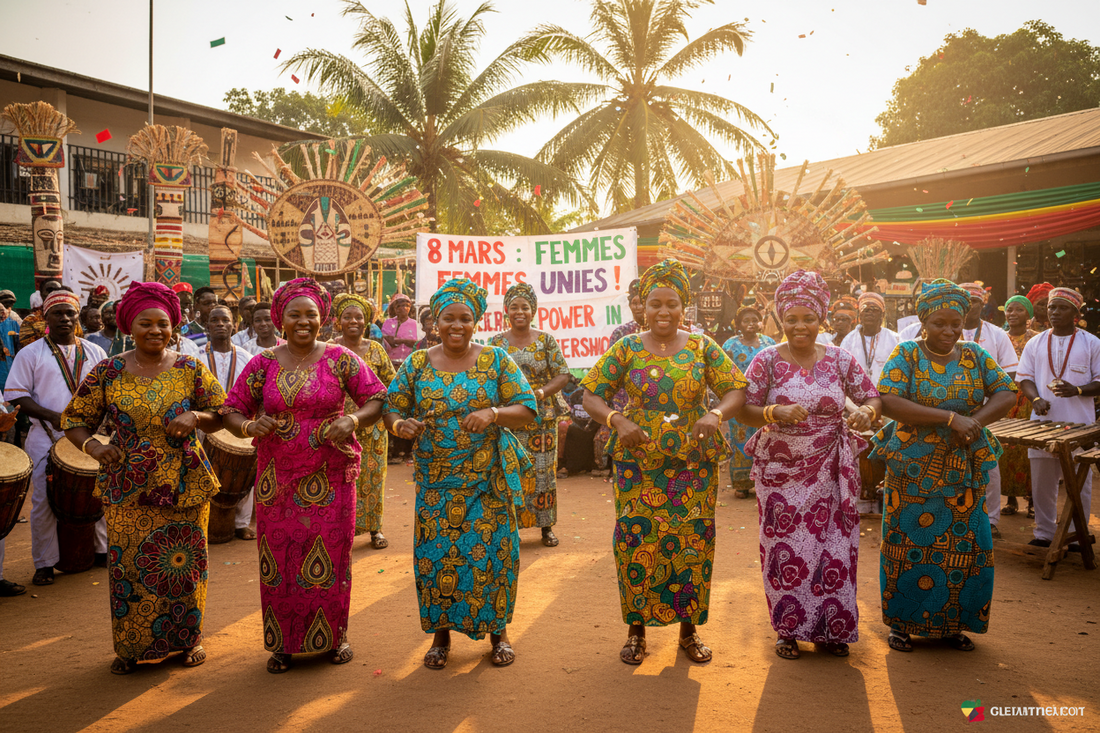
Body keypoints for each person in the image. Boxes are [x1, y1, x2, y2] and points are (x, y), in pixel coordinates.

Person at [581, 259, 745, 666]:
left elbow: (735, 391)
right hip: (639, 465)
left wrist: (716, 414)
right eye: (655, 304)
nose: (663, 312)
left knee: (692, 543)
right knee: (636, 541)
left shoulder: (704, 347)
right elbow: (591, 395)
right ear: (643, 306)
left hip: (693, 464)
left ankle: (689, 632)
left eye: (672, 304)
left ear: (683, 306)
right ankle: (636, 632)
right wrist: (617, 420)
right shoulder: (626, 348)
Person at [220, 278, 387, 674]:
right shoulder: (262, 363)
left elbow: (377, 398)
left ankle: (335, 637)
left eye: (310, 314)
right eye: (294, 314)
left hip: (332, 476)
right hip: (277, 479)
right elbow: (232, 408)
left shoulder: (341, 358)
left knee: (332, 557)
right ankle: (283, 643)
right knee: (279, 558)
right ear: (280, 318)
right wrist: (247, 427)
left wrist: (352, 418)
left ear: (321, 318)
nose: (303, 321)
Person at [60, 282, 226, 673]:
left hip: (184, 482)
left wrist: (197, 417)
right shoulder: (108, 370)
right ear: (128, 328)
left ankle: (188, 642)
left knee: (185, 567)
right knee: (129, 566)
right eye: (145, 323)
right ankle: (132, 647)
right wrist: (96, 448)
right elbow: (74, 421)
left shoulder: (190, 369)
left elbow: (222, 412)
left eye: (163, 324)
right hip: (128, 485)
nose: (155, 330)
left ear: (174, 326)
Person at [384, 278, 536, 670]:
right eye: (447, 318)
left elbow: (527, 408)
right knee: (437, 559)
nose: (456, 325)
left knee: (493, 557)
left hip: (488, 481)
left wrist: (494, 413)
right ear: (434, 320)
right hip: (437, 483)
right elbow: (392, 407)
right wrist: (400, 425)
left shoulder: (496, 359)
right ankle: (441, 637)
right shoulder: (418, 363)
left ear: (476, 321)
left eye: (465, 318)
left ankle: (498, 634)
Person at [737, 271, 882, 660]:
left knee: (836, 547)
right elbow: (744, 410)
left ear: (823, 318)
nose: (801, 326)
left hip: (832, 469)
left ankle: (831, 628)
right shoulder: (765, 360)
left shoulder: (840, 358)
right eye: (792, 319)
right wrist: (775, 410)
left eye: (809, 318)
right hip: (781, 474)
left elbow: (871, 396)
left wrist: (866, 413)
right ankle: (788, 629)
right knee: (787, 548)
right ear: (780, 319)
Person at [872, 279, 1016, 653]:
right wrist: (951, 419)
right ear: (924, 321)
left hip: (962, 467)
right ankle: (903, 624)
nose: (950, 331)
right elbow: (888, 400)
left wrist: (976, 422)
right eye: (940, 323)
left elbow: (1006, 393)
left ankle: (953, 622)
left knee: (963, 544)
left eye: (957, 323)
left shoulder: (974, 355)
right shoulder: (907, 354)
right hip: (913, 469)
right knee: (907, 542)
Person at [5, 290, 108, 586]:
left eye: (70, 313)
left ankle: (100, 551)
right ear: (45, 317)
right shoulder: (31, 353)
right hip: (46, 437)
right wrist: (53, 417)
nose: (64, 318)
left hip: (89, 438)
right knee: (44, 502)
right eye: (58, 313)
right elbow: (17, 396)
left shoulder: (95, 352)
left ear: (78, 317)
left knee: (97, 494)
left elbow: (105, 392)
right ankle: (45, 563)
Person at [1016, 287, 1100, 549]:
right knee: (1042, 480)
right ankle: (1044, 532)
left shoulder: (1091, 343)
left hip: (1080, 425)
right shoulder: (1036, 342)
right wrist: (1035, 399)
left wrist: (1077, 390)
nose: (1054, 312)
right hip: (1042, 424)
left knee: (1080, 481)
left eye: (1062, 308)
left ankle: (1077, 532)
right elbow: (1025, 378)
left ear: (1076, 313)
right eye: (1052, 307)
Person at [489, 282, 571, 547]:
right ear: (506, 311)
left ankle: (546, 527)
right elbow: (490, 376)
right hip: (510, 418)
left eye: (525, 307)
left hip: (542, 418)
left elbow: (563, 374)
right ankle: (511, 528)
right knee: (510, 472)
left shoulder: (546, 340)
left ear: (533, 310)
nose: (520, 311)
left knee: (543, 473)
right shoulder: (496, 343)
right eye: (514, 307)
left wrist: (539, 393)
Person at [331, 293, 396, 549]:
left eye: (359, 317)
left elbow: (391, 384)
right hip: (339, 427)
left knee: (373, 478)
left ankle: (375, 529)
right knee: (340, 478)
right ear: (339, 321)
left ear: (366, 321)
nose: (354, 321)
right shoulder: (329, 348)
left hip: (374, 428)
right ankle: (340, 529)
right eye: (348, 316)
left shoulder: (377, 349)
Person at [955, 283, 1019, 539]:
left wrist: (987, 402)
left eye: (976, 302)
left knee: (988, 465)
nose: (971, 306)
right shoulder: (946, 329)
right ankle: (958, 515)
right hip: (952, 413)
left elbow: (1010, 373)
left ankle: (990, 519)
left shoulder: (996, 334)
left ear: (984, 305)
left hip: (987, 412)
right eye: (966, 301)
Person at [203, 304, 258, 540]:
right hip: (206, 422)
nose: (220, 325)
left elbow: (255, 391)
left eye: (225, 320)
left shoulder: (246, 357)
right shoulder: (196, 358)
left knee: (244, 474)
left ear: (233, 325)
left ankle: (241, 523)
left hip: (240, 420)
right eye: (214, 320)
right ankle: (206, 522)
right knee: (205, 471)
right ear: (207, 327)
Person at [722, 306, 777, 499]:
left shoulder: (769, 343)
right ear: (738, 324)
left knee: (765, 438)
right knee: (739, 439)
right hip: (740, 400)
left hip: (764, 401)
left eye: (755, 319)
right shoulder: (730, 345)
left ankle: (764, 480)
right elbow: (724, 372)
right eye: (746, 321)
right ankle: (741, 484)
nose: (751, 324)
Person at [593, 279, 646, 475]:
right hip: (626, 405)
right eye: (634, 302)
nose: (638, 307)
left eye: (643, 301)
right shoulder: (622, 334)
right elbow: (609, 375)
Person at [1000, 294, 1039, 518]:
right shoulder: (1000, 338)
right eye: (1009, 309)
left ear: (1028, 315)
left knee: (1029, 448)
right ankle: (1011, 500)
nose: (1012, 314)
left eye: (1018, 310)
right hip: (1005, 400)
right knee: (1006, 449)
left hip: (1030, 400)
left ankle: (1033, 501)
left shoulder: (1037, 339)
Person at [839, 292, 899, 386]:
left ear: (882, 316)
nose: (870, 313)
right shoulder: (849, 340)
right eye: (866, 310)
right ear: (860, 316)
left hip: (886, 396)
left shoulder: (895, 339)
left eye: (874, 310)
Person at [18, 279, 64, 348]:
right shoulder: (30, 321)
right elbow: (28, 350)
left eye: (57, 291)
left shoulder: (70, 319)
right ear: (42, 294)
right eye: (50, 290)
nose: (53, 294)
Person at [382, 293, 420, 368]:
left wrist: (400, 341)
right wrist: (405, 341)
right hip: (390, 364)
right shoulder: (388, 322)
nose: (403, 308)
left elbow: (417, 343)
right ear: (394, 309)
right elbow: (386, 340)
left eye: (406, 305)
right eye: (399, 306)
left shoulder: (415, 324)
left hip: (409, 364)